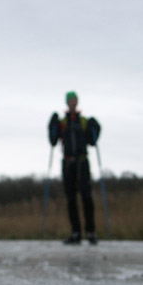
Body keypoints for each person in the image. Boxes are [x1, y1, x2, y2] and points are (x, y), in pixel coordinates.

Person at [48, 92, 101, 245]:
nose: (72, 102)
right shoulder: (62, 122)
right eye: (70, 100)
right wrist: (52, 125)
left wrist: (94, 127)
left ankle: (91, 232)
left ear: (77, 102)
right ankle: (76, 232)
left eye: (74, 100)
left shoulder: (83, 121)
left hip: (82, 162)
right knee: (71, 198)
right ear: (67, 102)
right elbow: (53, 141)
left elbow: (92, 141)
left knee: (86, 197)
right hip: (68, 162)